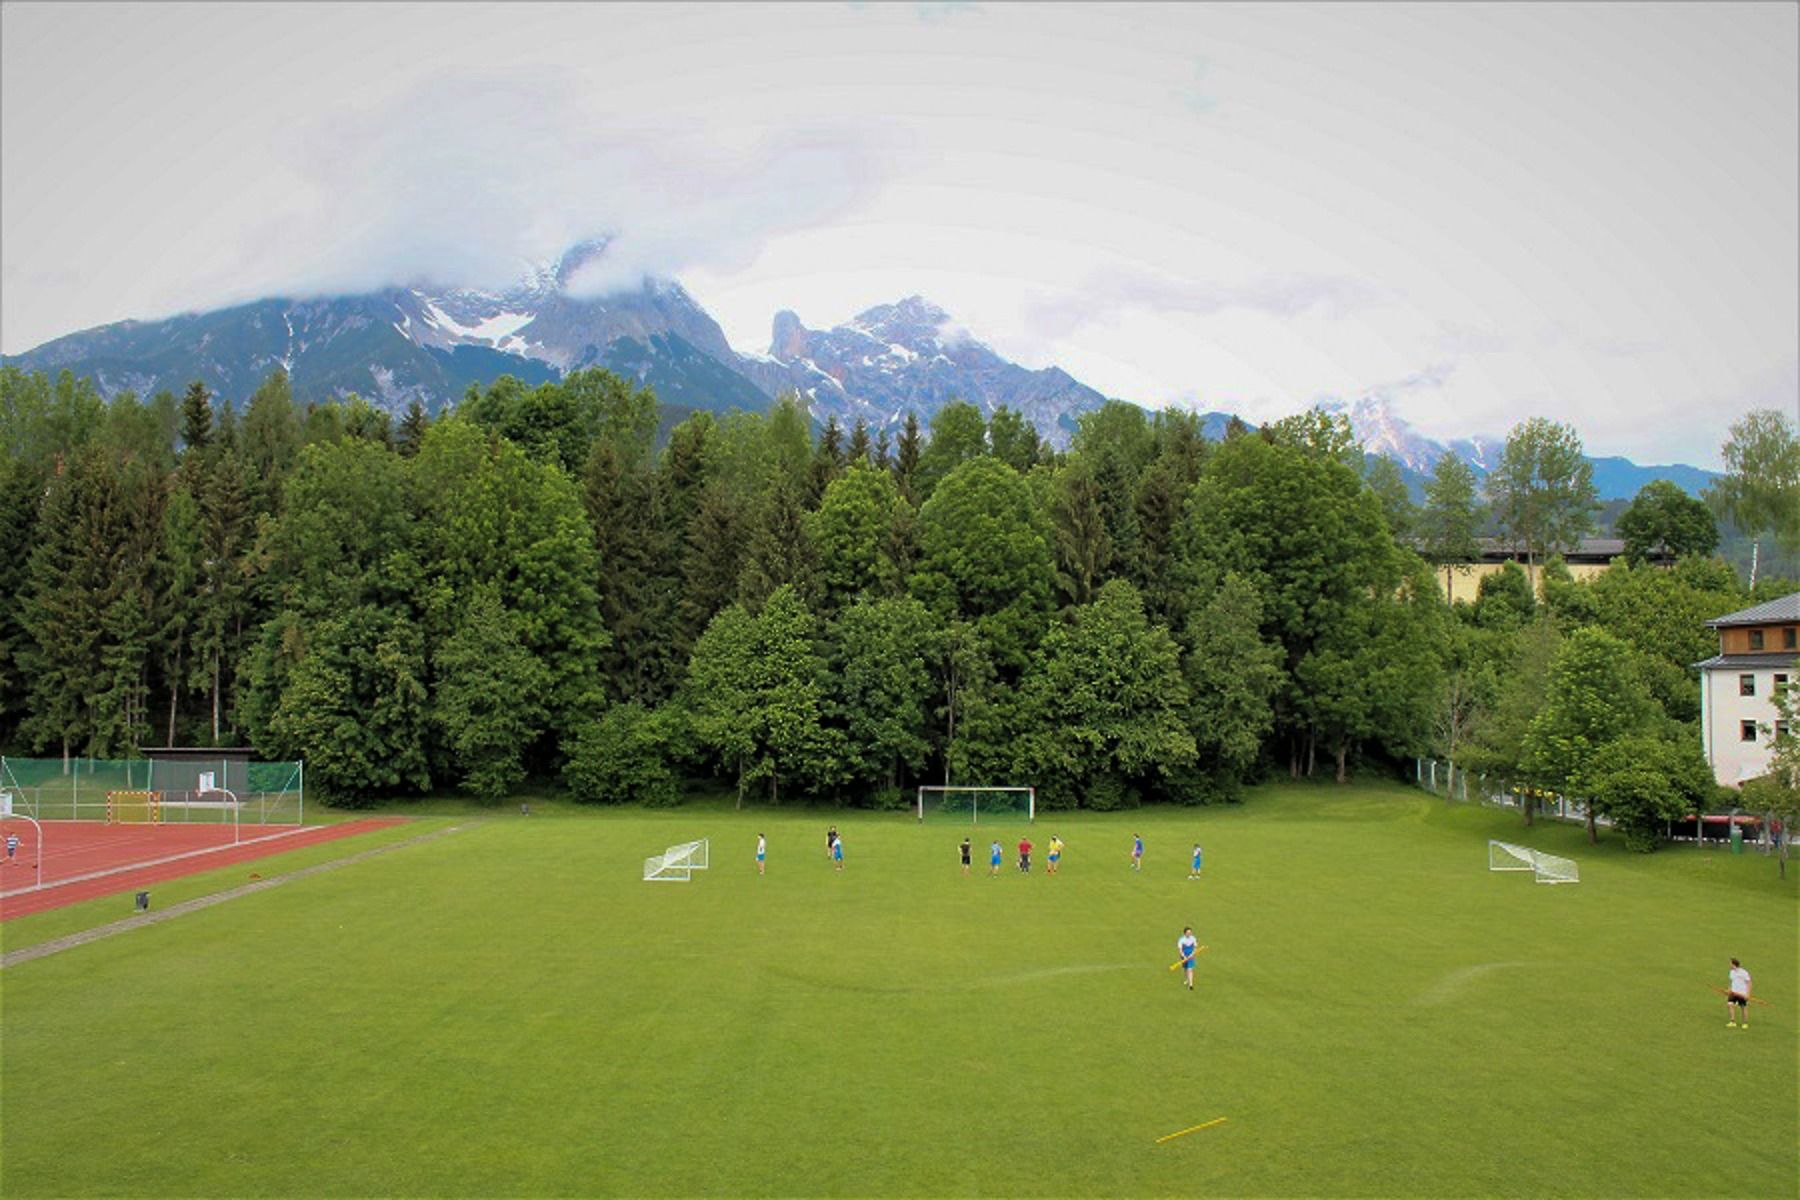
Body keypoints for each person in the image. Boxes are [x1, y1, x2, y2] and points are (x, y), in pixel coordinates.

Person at [1727, 958, 1753, 1028]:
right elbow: (1731, 981)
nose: (1729, 965)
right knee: (1730, 1005)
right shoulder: (1731, 972)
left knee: (1743, 1007)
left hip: (1742, 993)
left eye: (1730, 963)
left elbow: (1749, 982)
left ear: (1734, 964)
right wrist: (1729, 990)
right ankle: (1732, 1022)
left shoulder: (1744, 972)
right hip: (1733, 992)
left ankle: (1745, 1023)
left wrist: (1748, 994)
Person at [1178, 927, 1199, 991]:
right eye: (1188, 932)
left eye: (1190, 932)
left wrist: (1192, 954)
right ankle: (1187, 979)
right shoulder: (1181, 940)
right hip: (1184, 956)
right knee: (1185, 968)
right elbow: (1180, 950)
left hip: (1191, 956)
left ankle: (1191, 985)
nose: (1189, 934)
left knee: (1190, 969)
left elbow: (1195, 947)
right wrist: (1184, 957)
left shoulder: (1193, 938)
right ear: (1185, 933)